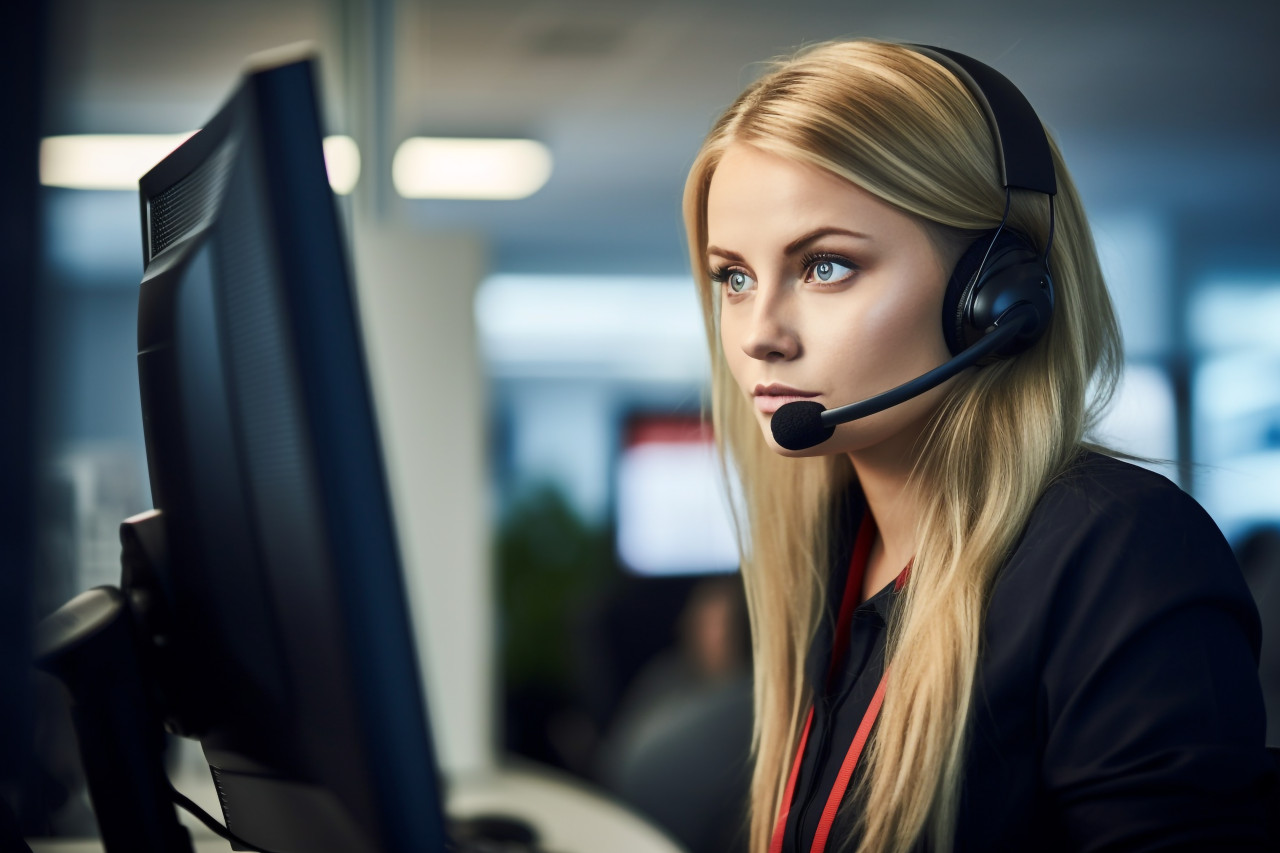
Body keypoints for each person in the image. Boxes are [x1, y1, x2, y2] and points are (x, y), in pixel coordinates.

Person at [682, 39, 1277, 853]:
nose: (759, 335)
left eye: (825, 266)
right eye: (734, 277)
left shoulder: (1120, 554)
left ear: (994, 298)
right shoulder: (832, 546)